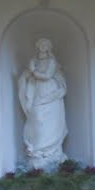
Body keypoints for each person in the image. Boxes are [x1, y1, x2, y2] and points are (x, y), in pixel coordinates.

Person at [18, 37, 68, 168]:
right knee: (37, 121)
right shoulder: (33, 61)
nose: (43, 46)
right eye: (41, 44)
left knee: (51, 123)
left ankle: (51, 153)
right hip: (37, 91)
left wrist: (33, 70)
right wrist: (24, 77)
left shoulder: (52, 61)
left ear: (49, 47)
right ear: (37, 46)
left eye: (46, 44)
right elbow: (26, 76)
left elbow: (47, 76)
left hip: (50, 93)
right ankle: (37, 151)